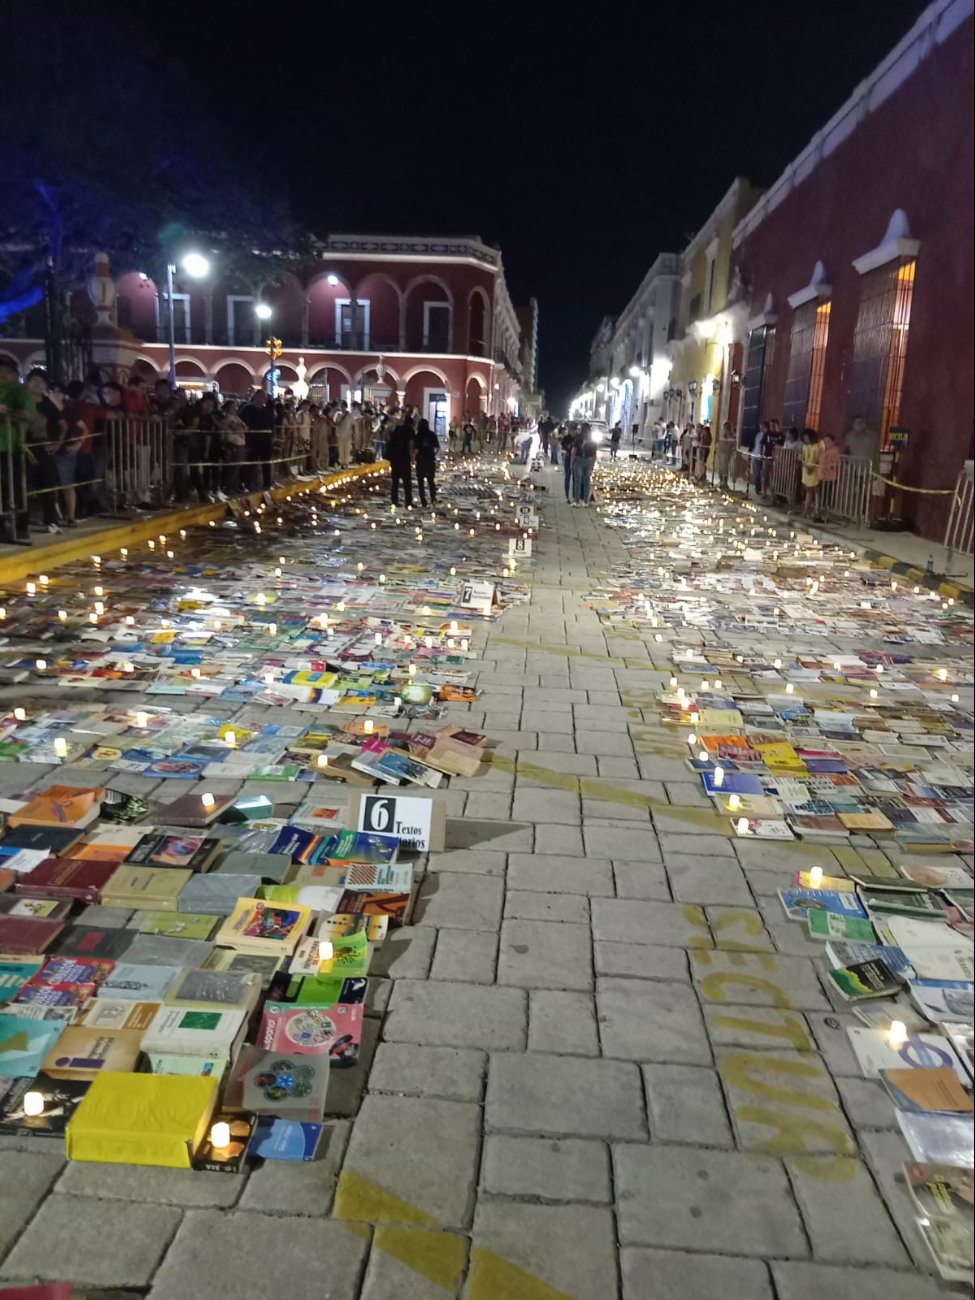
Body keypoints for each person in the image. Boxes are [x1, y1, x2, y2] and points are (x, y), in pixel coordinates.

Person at [239, 389, 273, 490]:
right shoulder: (247, 409)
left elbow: (271, 424)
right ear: (256, 397)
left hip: (265, 440)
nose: (263, 400)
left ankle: (267, 483)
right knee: (251, 463)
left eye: (265, 398)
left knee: (266, 463)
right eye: (262, 397)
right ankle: (248, 483)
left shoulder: (266, 411)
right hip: (252, 439)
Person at [385, 415, 415, 506]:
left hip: (394, 458)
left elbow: (388, 436)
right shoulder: (410, 431)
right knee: (407, 481)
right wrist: (412, 459)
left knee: (395, 481)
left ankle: (394, 500)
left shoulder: (397, 429)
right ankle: (408, 501)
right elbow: (410, 445)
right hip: (404, 458)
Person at [414, 417, 439, 507]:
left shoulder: (418, 435)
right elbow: (437, 448)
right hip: (430, 459)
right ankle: (433, 498)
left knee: (420, 482)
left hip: (421, 460)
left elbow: (415, 449)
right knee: (431, 480)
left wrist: (415, 457)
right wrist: (433, 454)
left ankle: (423, 501)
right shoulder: (432, 434)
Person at [571, 422, 597, 506]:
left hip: (579, 460)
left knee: (578, 482)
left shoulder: (578, 438)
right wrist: (593, 464)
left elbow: (574, 451)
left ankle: (577, 501)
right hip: (589, 461)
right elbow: (594, 454)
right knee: (586, 482)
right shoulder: (592, 440)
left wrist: (571, 463)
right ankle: (585, 501)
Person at [817, 430, 840, 521]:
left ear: (833, 442)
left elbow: (836, 464)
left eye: (828, 441)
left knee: (828, 497)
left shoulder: (834, 451)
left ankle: (826, 515)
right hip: (822, 476)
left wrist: (829, 466)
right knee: (822, 496)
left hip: (830, 477)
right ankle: (821, 514)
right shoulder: (824, 450)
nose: (826, 443)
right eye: (825, 441)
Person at [800, 428, 820, 517]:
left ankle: (816, 510)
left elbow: (819, 457)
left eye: (806, 437)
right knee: (808, 489)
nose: (805, 439)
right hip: (806, 468)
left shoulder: (818, 444)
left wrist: (812, 466)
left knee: (816, 490)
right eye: (804, 438)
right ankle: (806, 509)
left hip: (815, 470)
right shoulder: (805, 446)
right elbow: (803, 455)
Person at [713, 421, 736, 489]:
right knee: (720, 468)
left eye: (724, 428)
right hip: (720, 455)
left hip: (727, 456)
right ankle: (721, 481)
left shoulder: (731, 439)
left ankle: (725, 482)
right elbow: (719, 446)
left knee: (725, 469)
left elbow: (732, 447)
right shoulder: (722, 437)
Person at [560, 424, 576, 502]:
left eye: (574, 430)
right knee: (567, 476)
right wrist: (568, 449)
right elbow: (562, 445)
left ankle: (574, 495)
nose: (573, 432)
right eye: (572, 430)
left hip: (575, 458)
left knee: (575, 477)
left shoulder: (577, 438)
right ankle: (567, 496)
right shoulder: (566, 438)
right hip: (568, 457)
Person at [752, 421, 768, 495]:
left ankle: (764, 489)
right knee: (757, 473)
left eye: (762, 426)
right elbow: (755, 445)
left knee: (764, 475)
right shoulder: (758, 435)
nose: (761, 428)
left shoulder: (767, 435)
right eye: (760, 426)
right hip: (756, 456)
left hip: (764, 458)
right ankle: (757, 488)